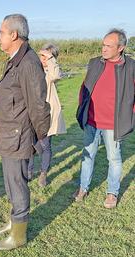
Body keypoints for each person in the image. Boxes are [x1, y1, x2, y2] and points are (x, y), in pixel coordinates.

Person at [0, 14, 50, 250]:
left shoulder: (29, 63)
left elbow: (39, 106)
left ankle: (19, 235)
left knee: (18, 184)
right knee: (10, 183)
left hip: (18, 137)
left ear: (14, 34)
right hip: (9, 135)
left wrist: (39, 137)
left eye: (1, 32)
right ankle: (14, 222)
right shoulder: (15, 59)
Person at [74, 28, 135, 208]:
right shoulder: (94, 63)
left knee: (114, 159)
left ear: (121, 48)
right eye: (103, 45)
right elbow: (84, 88)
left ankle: (112, 193)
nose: (104, 49)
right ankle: (83, 188)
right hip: (92, 122)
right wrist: (82, 109)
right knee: (87, 155)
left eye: (109, 46)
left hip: (113, 125)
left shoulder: (131, 67)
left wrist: (130, 115)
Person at [27, 43, 66, 187]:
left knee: (46, 145)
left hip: (46, 114)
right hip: (31, 113)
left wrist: (50, 58)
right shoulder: (34, 69)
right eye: (42, 56)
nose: (43, 59)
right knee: (30, 143)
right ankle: (29, 171)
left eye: (47, 57)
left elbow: (56, 74)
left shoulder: (51, 73)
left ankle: (43, 173)